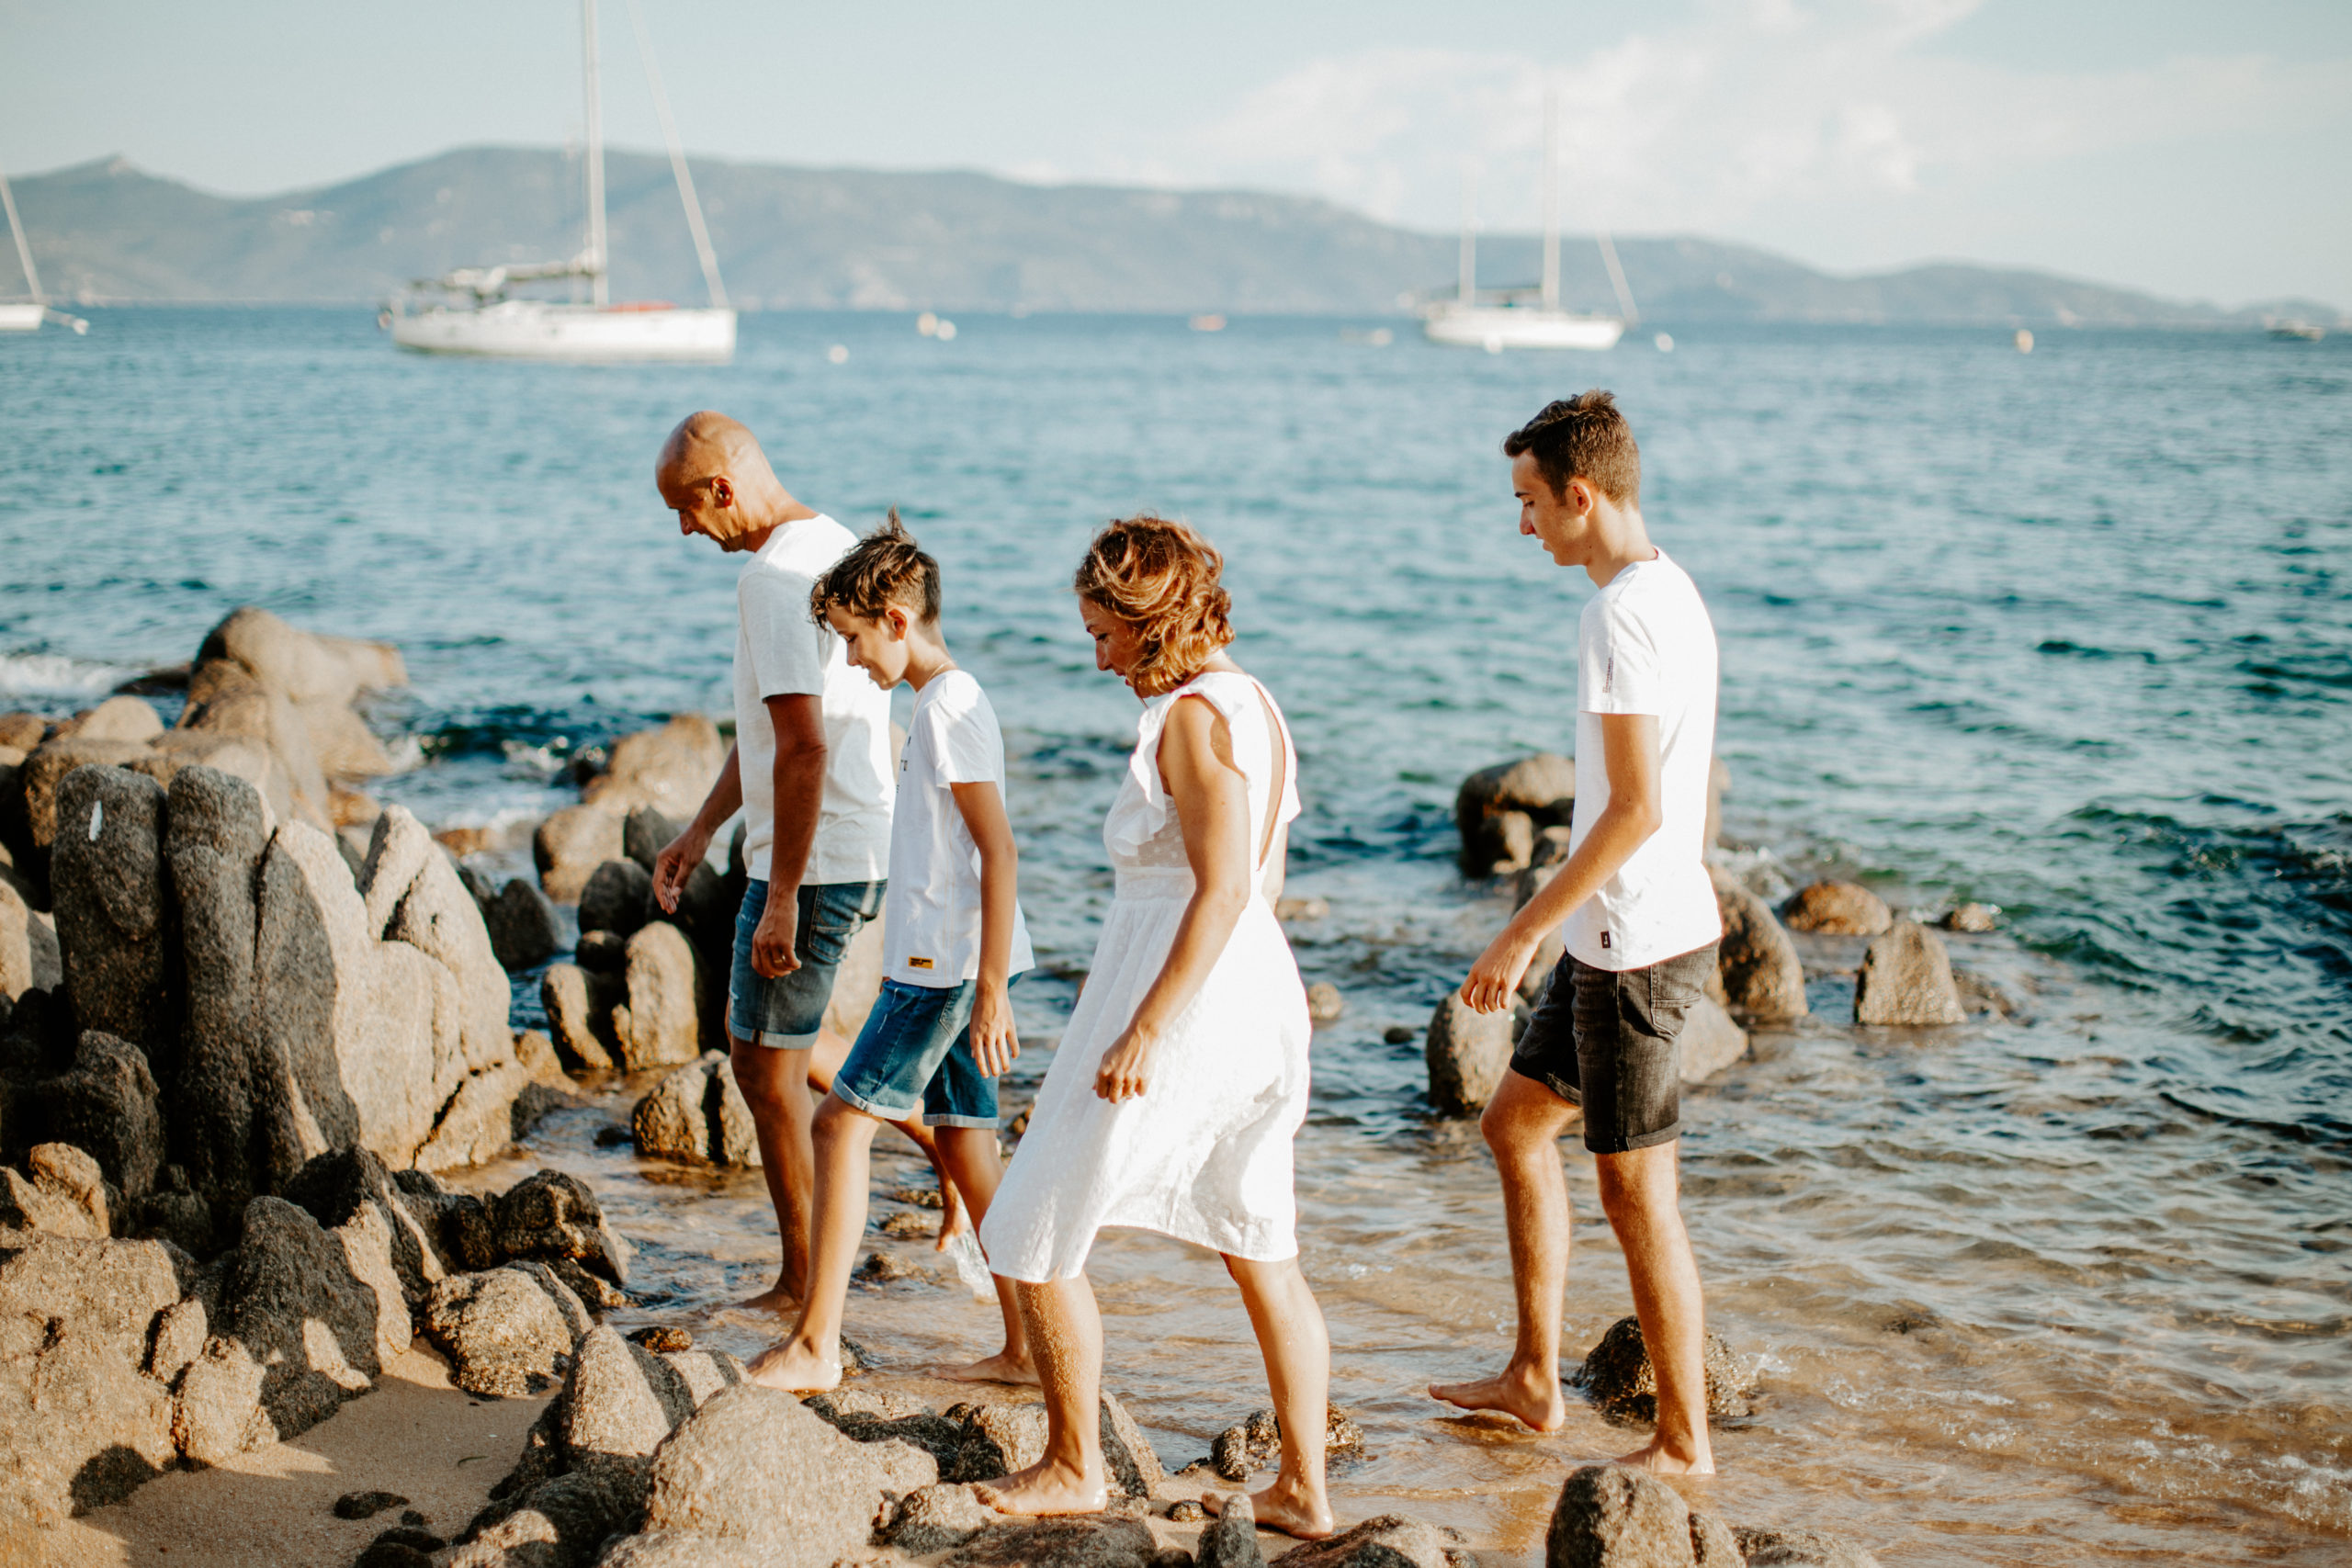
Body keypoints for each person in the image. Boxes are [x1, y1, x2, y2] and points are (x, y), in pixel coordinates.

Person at [974, 518, 1334, 1540]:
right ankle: (1303, 1489)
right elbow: (1262, 883)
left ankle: (1074, 1466)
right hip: (1250, 991)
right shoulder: (1255, 704)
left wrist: (1145, 1028)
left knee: (1032, 1219)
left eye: (1103, 634)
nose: (1097, 659)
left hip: (1187, 1001)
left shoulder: (1190, 718)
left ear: (1148, 620)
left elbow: (1220, 890)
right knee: (1258, 1240)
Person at [1428, 391, 1724, 1474]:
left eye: (1529, 501)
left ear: (1581, 495)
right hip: (1621, 933)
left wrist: (1521, 936)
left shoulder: (1620, 616)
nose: (1523, 525)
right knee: (1514, 1127)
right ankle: (1533, 1377)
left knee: (1636, 1195)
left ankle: (1683, 1444)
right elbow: (1680, 791)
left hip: (1636, 947)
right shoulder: (1670, 588)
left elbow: (1635, 808)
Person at [649, 412, 946, 1317]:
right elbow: (770, 731)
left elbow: (805, 748)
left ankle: (803, 1287)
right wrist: (701, 832)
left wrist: (777, 896)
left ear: (723, 488)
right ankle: (940, 1146)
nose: (686, 530)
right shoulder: (834, 542)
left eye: (688, 508)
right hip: (858, 843)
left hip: (814, 861)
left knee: (761, 1070)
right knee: (776, 1041)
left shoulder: (772, 580)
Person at [745, 512, 1037, 1392]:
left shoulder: (947, 708)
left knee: (837, 1125)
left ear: (897, 620)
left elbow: (1000, 849)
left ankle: (816, 1344)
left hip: (943, 971)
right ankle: (1027, 1346)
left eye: (853, 639)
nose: (849, 659)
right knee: (968, 1146)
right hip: (947, 963)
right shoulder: (940, 702)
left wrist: (990, 987)